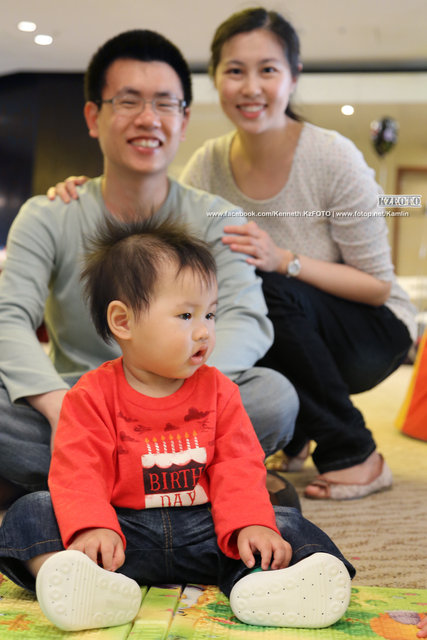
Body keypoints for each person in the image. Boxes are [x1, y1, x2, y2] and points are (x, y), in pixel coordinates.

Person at [51, 10, 416, 502]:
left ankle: (355, 451)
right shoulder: (209, 163)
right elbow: (166, 230)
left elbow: (378, 286)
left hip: (370, 330)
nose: (250, 87)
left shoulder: (333, 156)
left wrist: (284, 259)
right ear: (216, 78)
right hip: (290, 325)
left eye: (267, 70)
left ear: (293, 77)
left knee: (258, 286)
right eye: (235, 71)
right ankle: (295, 435)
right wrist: (88, 190)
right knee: (222, 305)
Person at [0, 219, 354, 632]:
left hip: (205, 529)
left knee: (284, 522)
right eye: (186, 315)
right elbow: (79, 470)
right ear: (123, 321)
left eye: (210, 313)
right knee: (32, 511)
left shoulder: (221, 392)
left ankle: (263, 585)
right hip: (120, 535)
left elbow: (238, 466)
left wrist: (251, 524)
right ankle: (80, 580)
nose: (204, 330)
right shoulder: (91, 394)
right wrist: (93, 527)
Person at [0, 28, 300, 510]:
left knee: (274, 397)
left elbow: (246, 317)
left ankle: (76, 478)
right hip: (80, 398)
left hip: (189, 398)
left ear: (184, 120)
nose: (148, 118)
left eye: (165, 103)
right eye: (128, 101)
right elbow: (9, 317)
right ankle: (191, 478)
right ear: (94, 117)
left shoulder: (218, 217)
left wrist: (185, 394)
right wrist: (60, 407)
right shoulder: (49, 214)